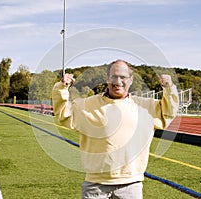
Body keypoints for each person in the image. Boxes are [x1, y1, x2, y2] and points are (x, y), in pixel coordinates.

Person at [52, 59, 179, 199]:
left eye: (123, 77)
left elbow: (168, 112)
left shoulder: (146, 107)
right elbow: (64, 113)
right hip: (95, 185)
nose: (118, 81)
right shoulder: (88, 105)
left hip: (131, 184)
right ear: (107, 79)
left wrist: (169, 88)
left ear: (131, 80)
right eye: (114, 76)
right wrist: (61, 88)